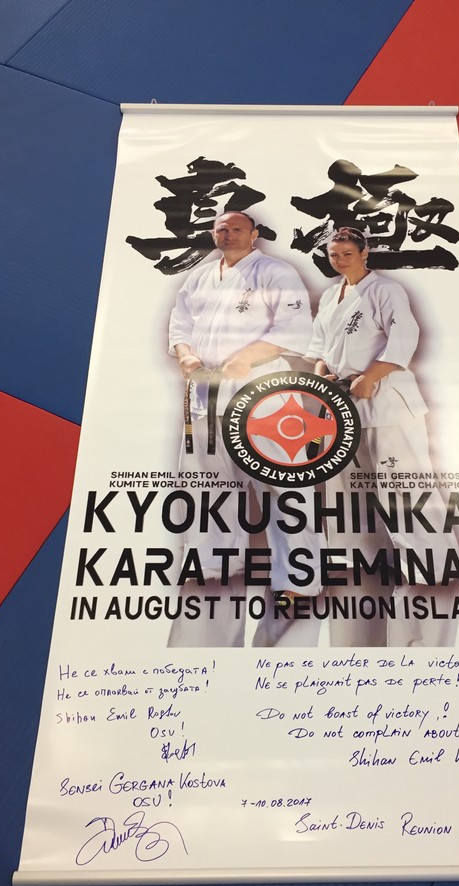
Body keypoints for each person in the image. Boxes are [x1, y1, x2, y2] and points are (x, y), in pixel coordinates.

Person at [167, 211, 322, 647]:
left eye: (237, 228)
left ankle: (299, 576)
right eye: (221, 228)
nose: (228, 234)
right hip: (207, 389)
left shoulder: (275, 272)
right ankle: (214, 564)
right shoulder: (200, 276)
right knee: (209, 483)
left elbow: (296, 328)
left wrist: (250, 355)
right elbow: (180, 324)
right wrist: (186, 355)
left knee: (283, 483)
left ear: (254, 235)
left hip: (264, 390)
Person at [305, 227, 459, 647]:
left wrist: (372, 375)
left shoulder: (386, 290)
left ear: (365, 252)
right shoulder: (331, 295)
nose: (340, 260)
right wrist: (322, 378)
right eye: (334, 255)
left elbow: (404, 338)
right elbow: (319, 348)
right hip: (344, 406)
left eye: (347, 253)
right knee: (347, 500)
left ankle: (433, 569)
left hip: (387, 401)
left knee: (405, 491)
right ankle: (359, 577)